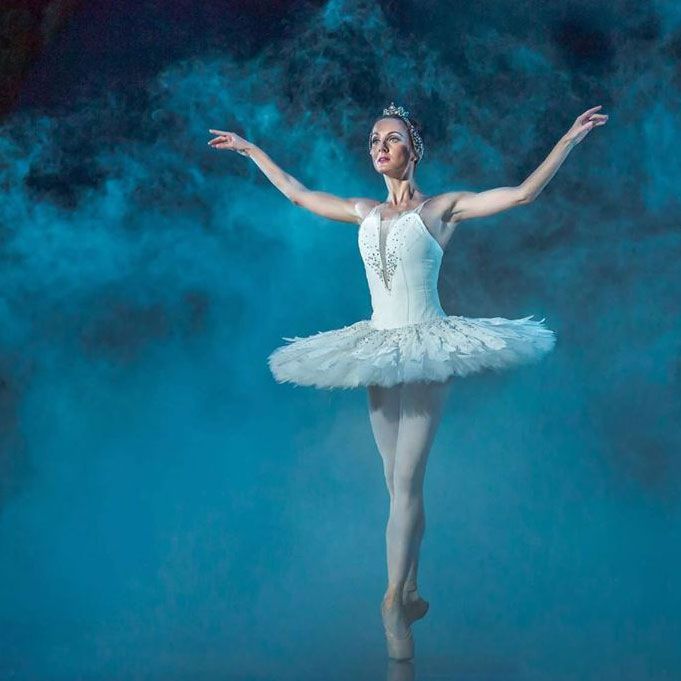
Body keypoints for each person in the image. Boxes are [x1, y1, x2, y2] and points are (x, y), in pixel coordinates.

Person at [207, 101, 608, 660]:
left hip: (426, 348)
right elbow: (298, 194)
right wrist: (252, 151)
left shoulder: (441, 208)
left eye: (392, 138)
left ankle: (393, 601)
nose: (380, 146)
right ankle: (410, 592)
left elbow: (521, 194)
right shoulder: (364, 210)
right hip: (377, 348)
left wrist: (567, 138)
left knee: (407, 482)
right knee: (397, 486)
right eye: (374, 138)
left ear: (413, 151)